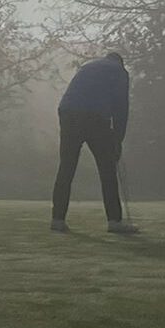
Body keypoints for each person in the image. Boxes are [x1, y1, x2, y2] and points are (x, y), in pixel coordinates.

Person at [52, 52, 139, 234]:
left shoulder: (88, 66)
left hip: (67, 113)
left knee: (66, 168)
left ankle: (57, 219)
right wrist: (117, 140)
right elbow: (121, 107)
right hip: (95, 117)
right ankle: (114, 221)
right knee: (107, 169)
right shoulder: (120, 72)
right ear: (121, 62)